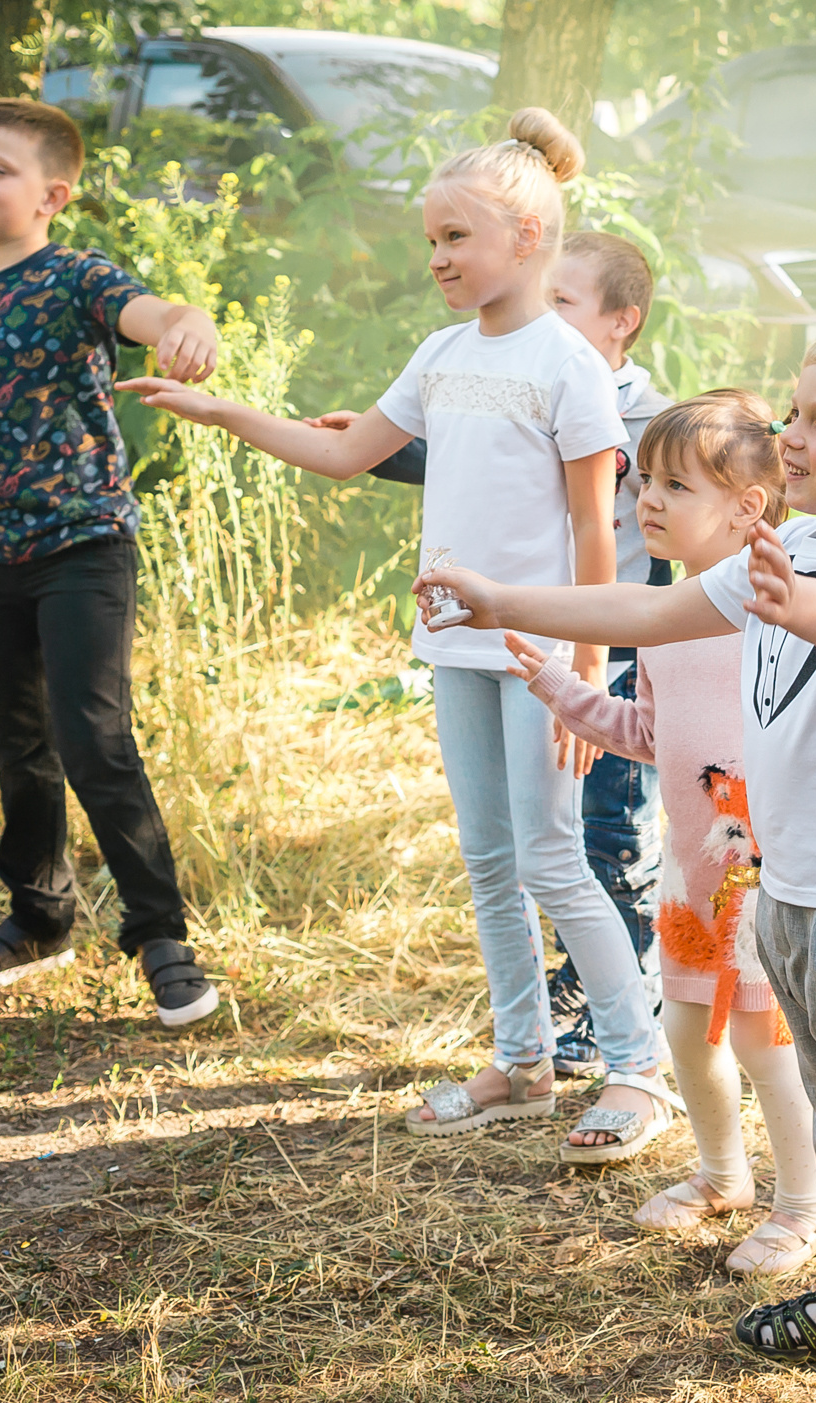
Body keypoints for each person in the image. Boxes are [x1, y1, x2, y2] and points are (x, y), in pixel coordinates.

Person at [410, 316, 816, 1403]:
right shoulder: (795, 547)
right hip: (791, 897)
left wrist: (795, 600)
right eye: (794, 410)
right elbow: (648, 606)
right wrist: (502, 601)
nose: (793, 433)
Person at [120, 109, 673, 1162]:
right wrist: (226, 412)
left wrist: (587, 677)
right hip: (453, 643)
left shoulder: (570, 365)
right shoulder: (441, 352)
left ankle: (637, 1070)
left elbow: (592, 531)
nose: (437, 259)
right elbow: (347, 453)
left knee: (554, 862)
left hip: (542, 654)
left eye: (456, 237)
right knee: (489, 859)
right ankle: (522, 1062)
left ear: (527, 237)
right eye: (432, 240)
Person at [0, 98, 225, 1029]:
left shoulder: (75, 278)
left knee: (93, 738)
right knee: (16, 742)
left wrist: (191, 321)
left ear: (53, 196)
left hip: (83, 548)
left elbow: (151, 312)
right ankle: (40, 916)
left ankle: (161, 936)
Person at [506, 387, 816, 1276]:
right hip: (692, 877)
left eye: (675, 486)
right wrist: (560, 689)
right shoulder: (661, 618)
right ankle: (723, 1175)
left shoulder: (777, 610)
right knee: (689, 1031)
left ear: (747, 508)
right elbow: (649, 734)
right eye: (645, 480)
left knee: (766, 1041)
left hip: (762, 873)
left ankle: (807, 1205)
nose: (647, 499)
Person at [540, 230, 673, 1071]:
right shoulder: (534, 391)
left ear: (622, 321)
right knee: (555, 836)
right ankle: (583, 973)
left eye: (562, 301)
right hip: (545, 646)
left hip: (620, 655)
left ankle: (634, 1000)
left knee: (614, 836)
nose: (543, 315)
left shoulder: (655, 424)